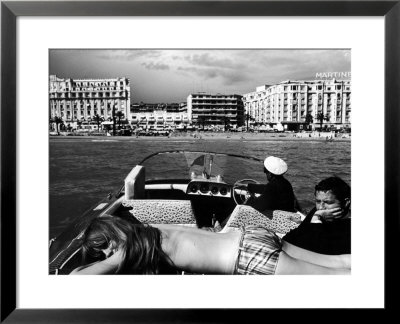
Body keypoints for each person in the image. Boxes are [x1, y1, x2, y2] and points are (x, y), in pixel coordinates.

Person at [70, 215, 350, 275]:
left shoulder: (129, 248)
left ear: (114, 232)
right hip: (249, 234)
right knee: (338, 262)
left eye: (104, 245)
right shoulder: (151, 229)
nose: (107, 253)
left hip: (247, 257)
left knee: (339, 282)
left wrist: (97, 262)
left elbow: (76, 279)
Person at [282, 176, 351, 255]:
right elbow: (291, 238)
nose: (321, 207)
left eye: (328, 202)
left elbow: (315, 249)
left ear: (346, 203)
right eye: (318, 201)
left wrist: (316, 220)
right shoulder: (318, 212)